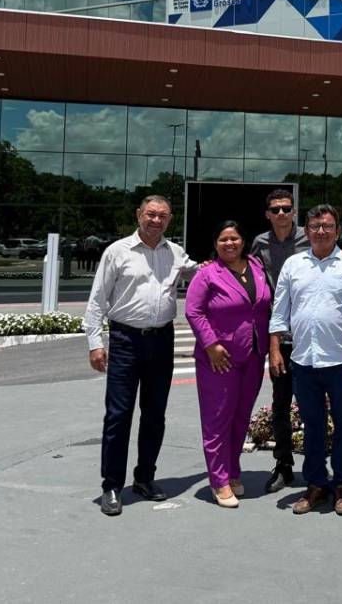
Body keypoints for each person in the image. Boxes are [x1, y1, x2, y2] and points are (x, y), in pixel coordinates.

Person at [82, 194, 199, 517]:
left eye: (162, 216)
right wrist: (95, 341)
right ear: (138, 215)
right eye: (150, 214)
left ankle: (145, 478)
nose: (156, 220)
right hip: (125, 340)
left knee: (155, 414)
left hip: (161, 340)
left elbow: (202, 274)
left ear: (170, 219)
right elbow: (97, 301)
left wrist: (238, 263)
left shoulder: (175, 253)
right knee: (119, 414)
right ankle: (112, 485)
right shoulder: (117, 252)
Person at [268, 203, 342, 516]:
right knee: (312, 426)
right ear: (306, 231)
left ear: (337, 230)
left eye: (327, 226)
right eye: (315, 226)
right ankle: (316, 484)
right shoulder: (294, 265)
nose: (321, 231)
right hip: (303, 360)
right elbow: (279, 310)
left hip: (341, 361)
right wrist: (274, 348)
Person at [185, 221, 272, 508]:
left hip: (254, 355)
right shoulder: (208, 274)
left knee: (240, 417)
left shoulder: (257, 268)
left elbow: (263, 306)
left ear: (244, 241)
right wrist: (210, 344)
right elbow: (193, 311)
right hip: (219, 358)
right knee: (217, 420)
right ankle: (218, 480)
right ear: (216, 243)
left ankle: (233, 471)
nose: (230, 243)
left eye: (234, 238)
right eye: (223, 239)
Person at [249, 188, 308, 494]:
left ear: (294, 211)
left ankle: (315, 467)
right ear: (267, 214)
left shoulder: (309, 237)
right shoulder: (259, 243)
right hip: (279, 335)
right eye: (276, 210)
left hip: (310, 335)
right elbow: (245, 273)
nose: (282, 214)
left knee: (312, 404)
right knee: (281, 404)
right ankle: (283, 464)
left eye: (286, 209)